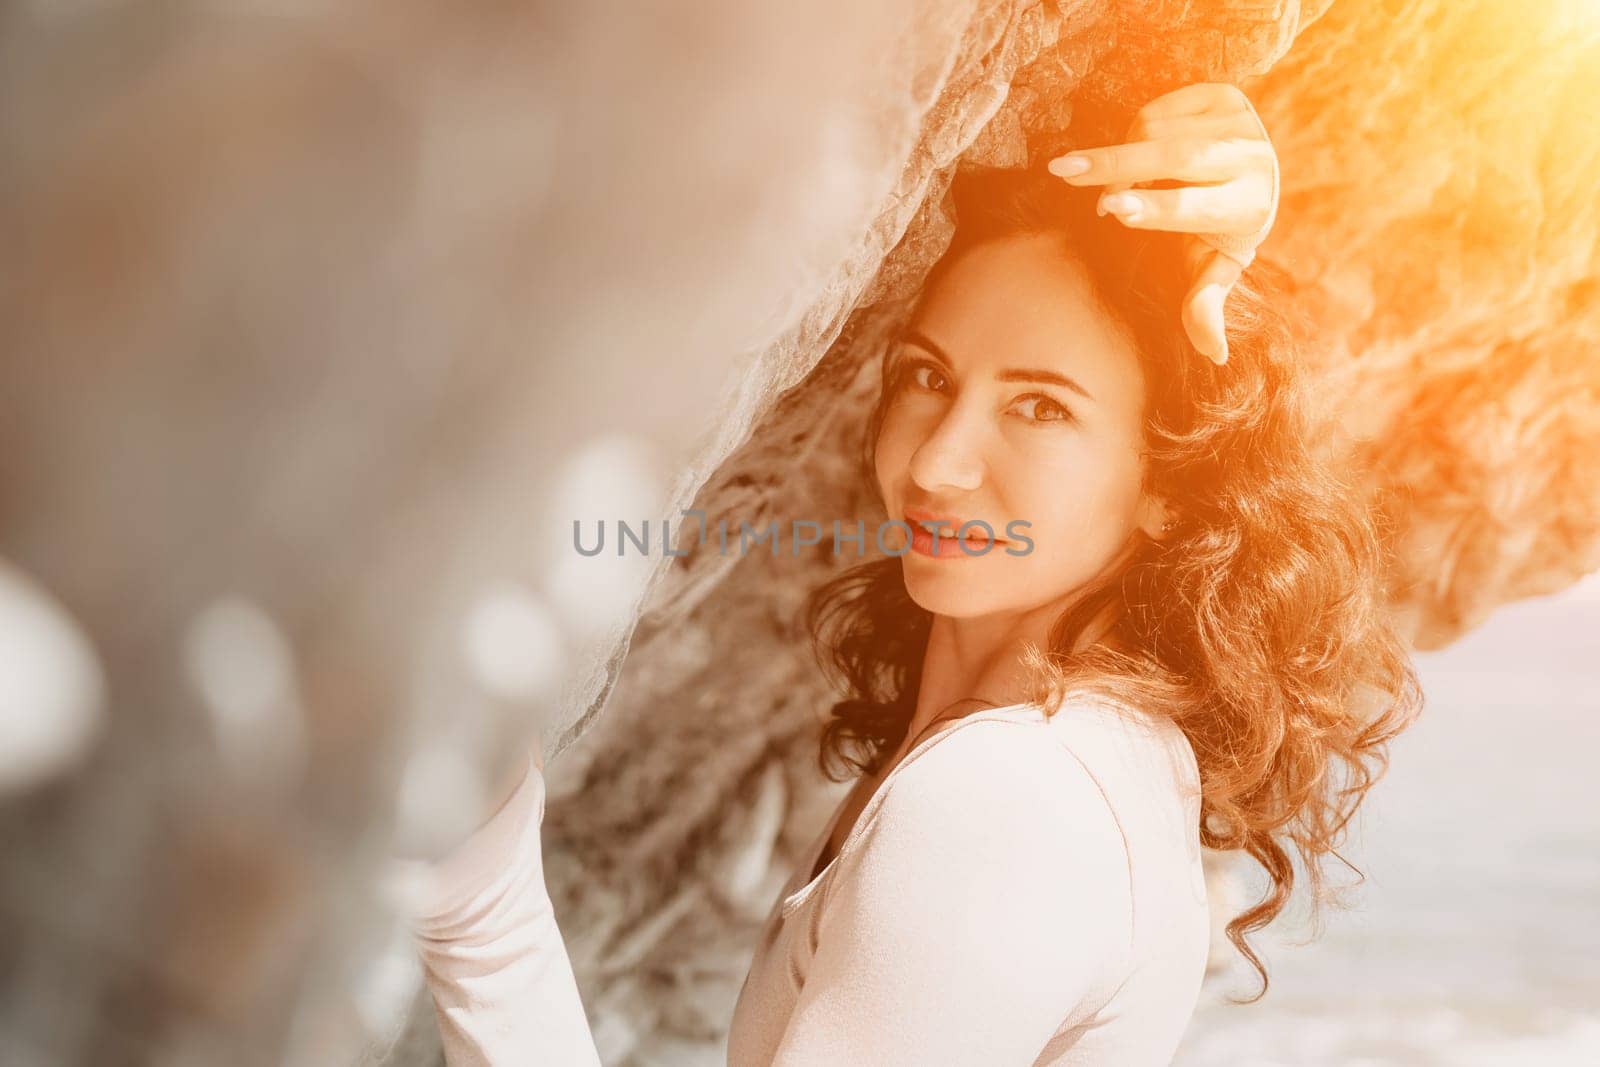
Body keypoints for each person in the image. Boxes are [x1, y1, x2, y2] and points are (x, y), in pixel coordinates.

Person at [392, 82, 1423, 1065]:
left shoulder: (1005, 804)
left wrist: (487, 922)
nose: (935, 461)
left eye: (1040, 406)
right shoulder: (1094, 757)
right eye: (926, 378)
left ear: (1169, 481)